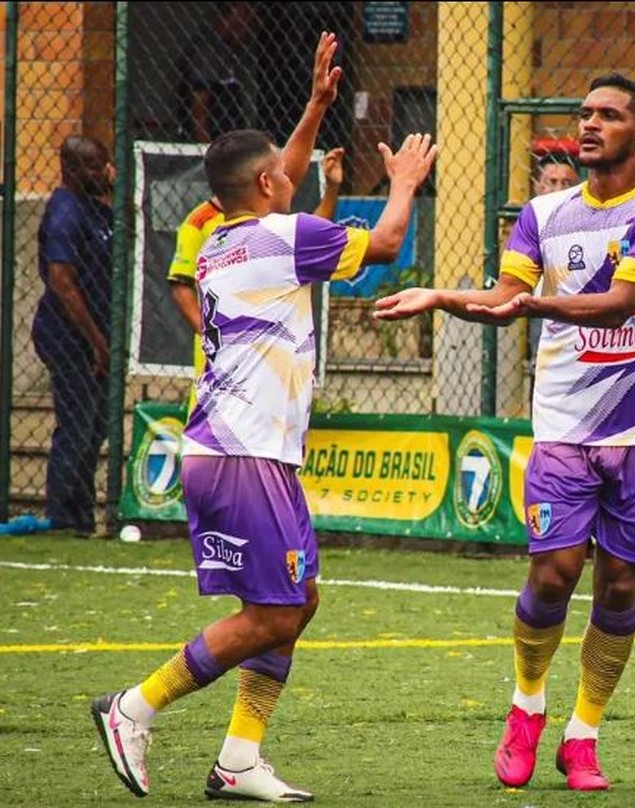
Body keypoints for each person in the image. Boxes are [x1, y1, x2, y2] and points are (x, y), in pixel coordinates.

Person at [90, 32, 437, 802]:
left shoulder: (219, 240)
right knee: (276, 610)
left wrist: (315, 106)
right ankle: (134, 707)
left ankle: (240, 758)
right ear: (275, 185)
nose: (291, 172)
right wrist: (404, 180)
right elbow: (383, 241)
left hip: (237, 448)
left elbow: (274, 177)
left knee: (296, 599)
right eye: (284, 170)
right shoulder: (282, 238)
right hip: (244, 451)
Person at [375, 73, 635, 792]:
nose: (588, 125)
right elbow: (503, 296)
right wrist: (442, 295)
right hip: (562, 422)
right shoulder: (544, 211)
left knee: (620, 588)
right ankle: (527, 708)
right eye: (584, 114)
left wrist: (528, 308)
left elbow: (621, 303)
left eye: (609, 116)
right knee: (552, 574)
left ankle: (582, 737)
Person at [167, 147, 346, 410]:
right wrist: (212, 336)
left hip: (268, 360)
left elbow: (311, 242)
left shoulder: (269, 220)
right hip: (223, 365)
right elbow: (181, 286)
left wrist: (332, 188)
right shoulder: (198, 223)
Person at [31, 135, 114, 536]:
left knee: (95, 426)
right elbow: (63, 282)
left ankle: (81, 516)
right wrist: (98, 343)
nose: (103, 173)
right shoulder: (65, 211)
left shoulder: (94, 207)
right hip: (68, 336)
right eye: (96, 167)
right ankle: (62, 517)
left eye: (105, 164)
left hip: (94, 336)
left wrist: (111, 191)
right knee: (78, 424)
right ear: (72, 168)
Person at [526, 151, 581, 401]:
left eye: (566, 183)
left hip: (583, 330)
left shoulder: (589, 226)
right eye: (552, 181)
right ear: (538, 186)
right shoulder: (527, 226)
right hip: (542, 325)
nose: (559, 189)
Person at [177, 2, 258, 143]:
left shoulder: (231, 52)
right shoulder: (208, 51)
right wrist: (208, 150)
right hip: (215, 147)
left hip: (229, 144)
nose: (249, 25)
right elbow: (198, 111)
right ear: (234, 14)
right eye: (246, 14)